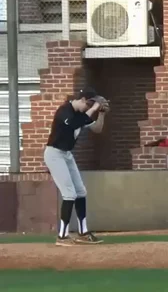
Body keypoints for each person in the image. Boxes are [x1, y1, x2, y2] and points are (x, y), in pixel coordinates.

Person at [44, 87, 109, 246]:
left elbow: (97, 129)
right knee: (69, 194)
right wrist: (93, 108)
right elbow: (73, 125)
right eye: (88, 104)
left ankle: (83, 232)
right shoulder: (64, 111)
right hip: (54, 154)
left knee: (80, 191)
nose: (89, 108)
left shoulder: (81, 114)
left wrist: (101, 113)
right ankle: (62, 236)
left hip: (66, 154)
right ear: (82, 100)